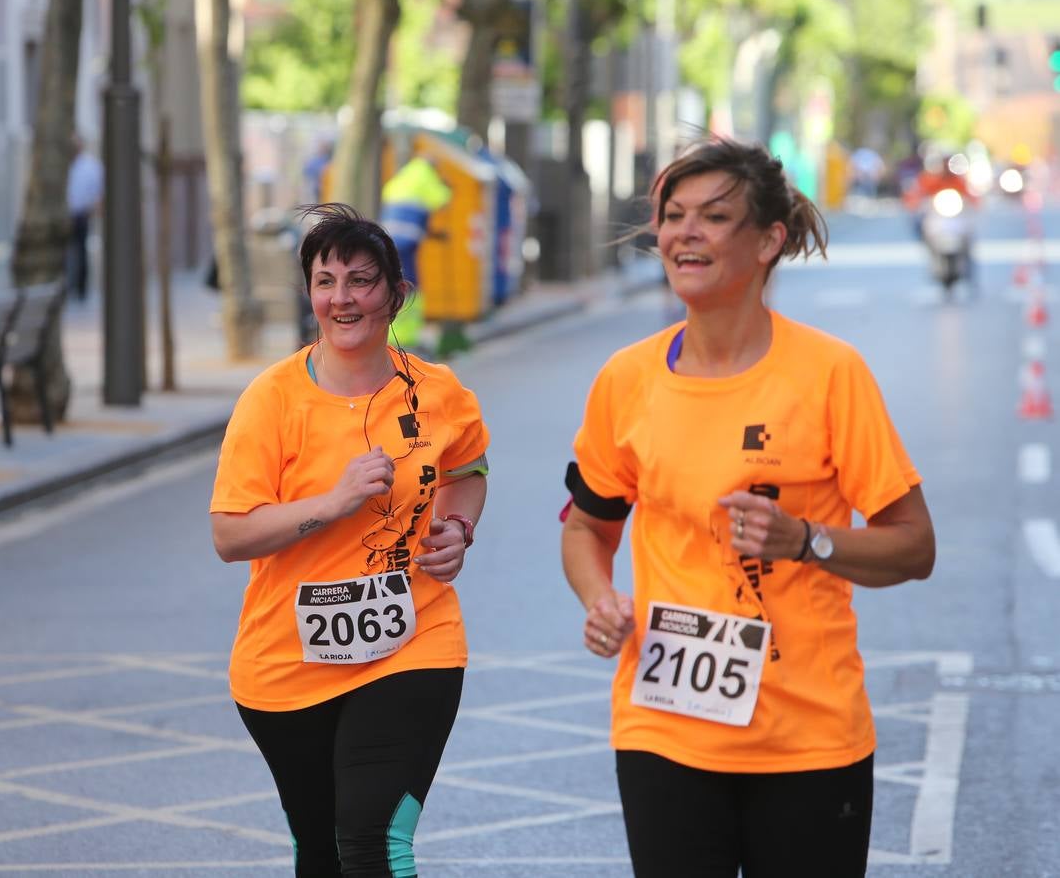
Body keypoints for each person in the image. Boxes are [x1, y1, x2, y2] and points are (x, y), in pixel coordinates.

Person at [560, 138, 935, 878]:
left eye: (713, 217)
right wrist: (600, 600)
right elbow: (587, 528)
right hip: (663, 728)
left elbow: (914, 546)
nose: (684, 234)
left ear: (768, 241)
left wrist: (806, 540)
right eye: (673, 216)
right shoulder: (626, 380)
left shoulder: (829, 374)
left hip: (808, 734)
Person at [209, 202, 490, 877]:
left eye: (361, 281)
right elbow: (230, 535)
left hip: (413, 641)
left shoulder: (439, 393)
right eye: (326, 282)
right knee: (322, 850)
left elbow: (468, 470)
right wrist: (332, 504)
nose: (342, 298)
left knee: (373, 842)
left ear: (396, 294)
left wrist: (458, 527)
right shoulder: (271, 400)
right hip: (288, 660)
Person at [380, 151, 452, 348]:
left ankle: (394, 332)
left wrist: (433, 233)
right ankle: (405, 334)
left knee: (394, 281)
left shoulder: (405, 175)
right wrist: (445, 186)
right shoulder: (426, 175)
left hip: (390, 239)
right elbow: (442, 199)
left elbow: (412, 211)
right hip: (406, 241)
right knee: (409, 284)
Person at [66, 135, 104, 301]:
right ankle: (67, 288)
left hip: (82, 214)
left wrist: (94, 208)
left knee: (81, 252)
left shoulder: (90, 166)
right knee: (65, 253)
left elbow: (98, 191)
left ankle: (81, 290)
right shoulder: (65, 165)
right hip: (65, 215)